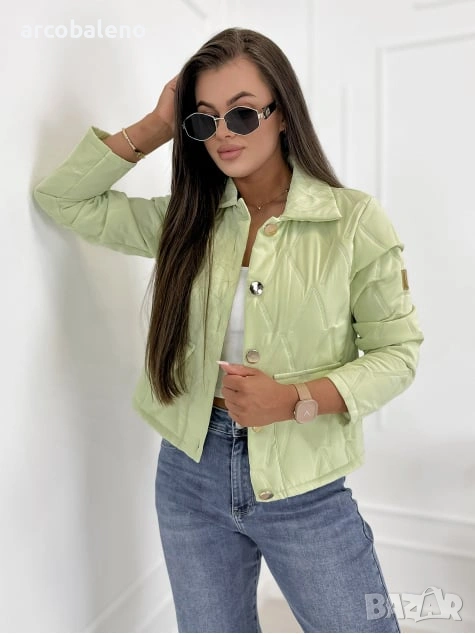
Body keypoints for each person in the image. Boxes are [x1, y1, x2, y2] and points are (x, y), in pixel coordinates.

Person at [33, 27, 423, 634]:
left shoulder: (352, 222)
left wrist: (294, 399)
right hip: (189, 474)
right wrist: (157, 125)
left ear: (282, 114)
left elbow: (398, 353)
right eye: (203, 119)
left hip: (304, 484)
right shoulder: (186, 219)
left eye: (241, 114)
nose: (222, 134)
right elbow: (64, 200)